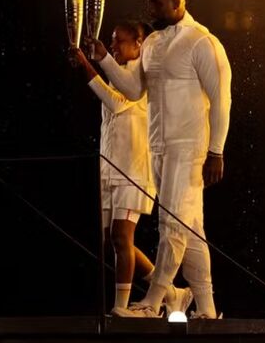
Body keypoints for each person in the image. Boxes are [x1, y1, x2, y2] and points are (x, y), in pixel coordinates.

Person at [89, 0, 232, 318]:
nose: (149, 11)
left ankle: (153, 302)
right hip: (158, 147)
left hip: (189, 147)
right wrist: (105, 59)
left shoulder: (202, 43)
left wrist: (217, 151)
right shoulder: (152, 42)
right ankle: (208, 308)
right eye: (149, 4)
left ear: (177, 3)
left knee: (172, 223)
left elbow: (221, 99)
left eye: (155, 4)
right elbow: (134, 89)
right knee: (191, 227)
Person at [70, 20, 193, 316]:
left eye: (119, 42)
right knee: (110, 240)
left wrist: (89, 64)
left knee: (121, 238)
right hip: (111, 167)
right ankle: (172, 292)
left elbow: (115, 103)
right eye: (112, 42)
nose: (113, 47)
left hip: (134, 172)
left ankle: (120, 308)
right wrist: (94, 62)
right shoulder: (117, 73)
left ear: (139, 44)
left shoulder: (142, 76)